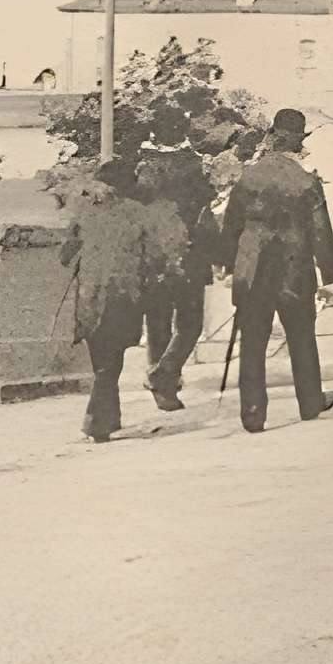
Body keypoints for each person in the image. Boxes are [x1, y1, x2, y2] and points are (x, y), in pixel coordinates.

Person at [220, 106, 333, 433]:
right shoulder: (306, 182)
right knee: (302, 336)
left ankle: (253, 414)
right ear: (298, 143)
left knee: (253, 342)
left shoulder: (249, 177)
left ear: (272, 137)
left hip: (254, 269)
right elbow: (320, 231)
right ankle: (310, 401)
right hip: (294, 268)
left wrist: (226, 263)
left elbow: (231, 225)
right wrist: (330, 273)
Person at [59, 155, 173, 444]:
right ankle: (97, 423)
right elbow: (156, 257)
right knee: (111, 361)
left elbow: (64, 255)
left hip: (89, 295)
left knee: (101, 357)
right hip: (124, 294)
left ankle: (109, 418)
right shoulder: (139, 213)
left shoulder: (85, 213)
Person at [138, 145, 223, 412]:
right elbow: (207, 226)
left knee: (158, 323)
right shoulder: (194, 166)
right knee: (188, 324)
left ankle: (162, 380)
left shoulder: (145, 167)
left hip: (156, 261)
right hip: (189, 261)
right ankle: (164, 377)